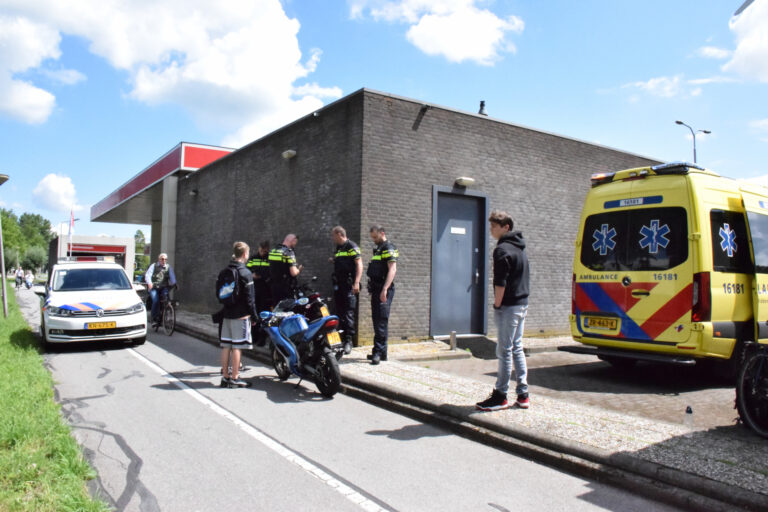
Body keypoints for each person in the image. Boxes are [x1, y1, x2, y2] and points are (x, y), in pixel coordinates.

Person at [476, 210, 531, 411]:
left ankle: (500, 396)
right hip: (522, 303)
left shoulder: (502, 250)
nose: (491, 229)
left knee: (505, 350)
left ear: (505, 227)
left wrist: (498, 304)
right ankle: (523, 394)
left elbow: (501, 282)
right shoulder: (520, 248)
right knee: (516, 347)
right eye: (490, 225)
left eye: (494, 226)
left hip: (508, 305)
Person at [219, 241, 256, 388]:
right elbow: (250, 298)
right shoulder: (245, 273)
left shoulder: (224, 271)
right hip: (240, 316)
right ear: (245, 254)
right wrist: (254, 316)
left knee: (226, 346)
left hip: (226, 313)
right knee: (237, 347)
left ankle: (225, 377)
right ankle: (235, 378)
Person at [366, 225, 398, 365]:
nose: (373, 240)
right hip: (376, 288)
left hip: (383, 289)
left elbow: (392, 269)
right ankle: (381, 351)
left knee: (381, 320)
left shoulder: (388, 248)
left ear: (382, 233)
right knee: (376, 319)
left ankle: (378, 352)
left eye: (375, 237)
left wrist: (385, 288)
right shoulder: (379, 248)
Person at [330, 226, 362, 355]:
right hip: (339, 285)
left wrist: (356, 282)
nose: (332, 238)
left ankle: (349, 341)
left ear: (339, 234)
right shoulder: (338, 248)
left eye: (333, 236)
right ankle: (341, 339)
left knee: (349, 313)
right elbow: (343, 263)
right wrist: (334, 261)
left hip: (349, 285)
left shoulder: (351, 246)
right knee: (339, 312)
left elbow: (359, 264)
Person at [145, 253, 177, 326]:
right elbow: (148, 275)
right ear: (159, 259)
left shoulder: (168, 267)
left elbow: (172, 276)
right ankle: (153, 318)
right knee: (155, 300)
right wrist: (149, 283)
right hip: (154, 287)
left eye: (165, 259)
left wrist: (174, 283)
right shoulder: (153, 266)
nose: (164, 260)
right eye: (162, 259)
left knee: (167, 300)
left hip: (163, 287)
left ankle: (167, 316)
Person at [269, 234, 302, 302]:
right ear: (293, 240)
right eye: (295, 242)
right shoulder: (289, 252)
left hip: (274, 287)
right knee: (288, 310)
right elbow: (293, 273)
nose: (295, 244)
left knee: (277, 308)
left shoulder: (272, 251)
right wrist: (299, 269)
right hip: (286, 287)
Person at [246, 240, 272, 313]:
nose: (262, 253)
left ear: (267, 249)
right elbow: (246, 270)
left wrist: (263, 276)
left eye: (264, 251)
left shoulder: (270, 259)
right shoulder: (253, 258)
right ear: (259, 248)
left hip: (266, 287)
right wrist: (252, 275)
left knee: (264, 308)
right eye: (261, 251)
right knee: (254, 307)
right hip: (254, 287)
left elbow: (272, 272)